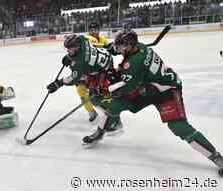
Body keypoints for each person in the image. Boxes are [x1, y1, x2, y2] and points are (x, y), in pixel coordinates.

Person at [83, 28, 223, 176]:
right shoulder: (139, 47)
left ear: (130, 46)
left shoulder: (135, 62)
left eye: (122, 46)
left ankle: (216, 157)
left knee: (178, 127)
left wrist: (104, 90)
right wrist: (110, 47)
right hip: (147, 87)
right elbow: (119, 55)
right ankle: (100, 131)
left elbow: (125, 86)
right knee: (115, 105)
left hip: (166, 90)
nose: (120, 48)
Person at [47, 34, 115, 135]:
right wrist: (69, 57)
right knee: (83, 89)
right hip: (100, 63)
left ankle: (112, 117)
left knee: (94, 95)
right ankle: (97, 112)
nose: (67, 51)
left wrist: (59, 83)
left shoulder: (81, 61)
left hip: (104, 70)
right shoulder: (82, 40)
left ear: (76, 47)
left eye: (69, 48)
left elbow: (73, 79)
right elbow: (80, 39)